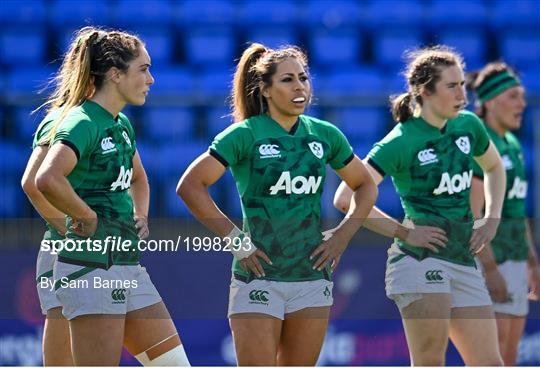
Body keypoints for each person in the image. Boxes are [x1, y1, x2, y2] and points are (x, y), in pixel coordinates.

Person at [177, 43, 377, 365]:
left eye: (304, 78)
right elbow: (190, 186)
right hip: (258, 276)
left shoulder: (325, 135)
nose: (300, 86)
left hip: (312, 276)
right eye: (287, 80)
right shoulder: (244, 135)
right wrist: (235, 240)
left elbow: (365, 184)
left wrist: (344, 234)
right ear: (265, 89)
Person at [333, 46, 506, 366]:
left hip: (462, 260)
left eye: (462, 85)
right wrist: (403, 231)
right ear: (424, 91)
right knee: (430, 362)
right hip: (420, 262)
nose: (462, 95)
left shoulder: (468, 125)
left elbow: (494, 167)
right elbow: (345, 197)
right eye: (451, 86)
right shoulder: (401, 140)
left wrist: (491, 219)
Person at [34, 26, 190, 366]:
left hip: (126, 263)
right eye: (144, 69)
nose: (151, 79)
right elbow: (44, 180)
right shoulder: (80, 121)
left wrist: (141, 215)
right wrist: (83, 218)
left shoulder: (120, 123)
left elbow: (139, 180)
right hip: (89, 266)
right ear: (116, 74)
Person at [468, 62, 540, 365]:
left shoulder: (512, 143)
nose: (522, 103)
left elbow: (516, 208)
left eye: (522, 96)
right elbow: (472, 213)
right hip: (490, 258)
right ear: (491, 102)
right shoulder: (481, 144)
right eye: (513, 96)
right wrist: (490, 268)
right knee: (491, 355)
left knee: (508, 355)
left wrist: (531, 260)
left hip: (514, 256)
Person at [21, 107, 72, 365]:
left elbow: (134, 178)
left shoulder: (115, 121)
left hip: (105, 252)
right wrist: (71, 231)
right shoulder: (61, 119)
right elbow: (31, 182)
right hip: (65, 251)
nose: (150, 80)